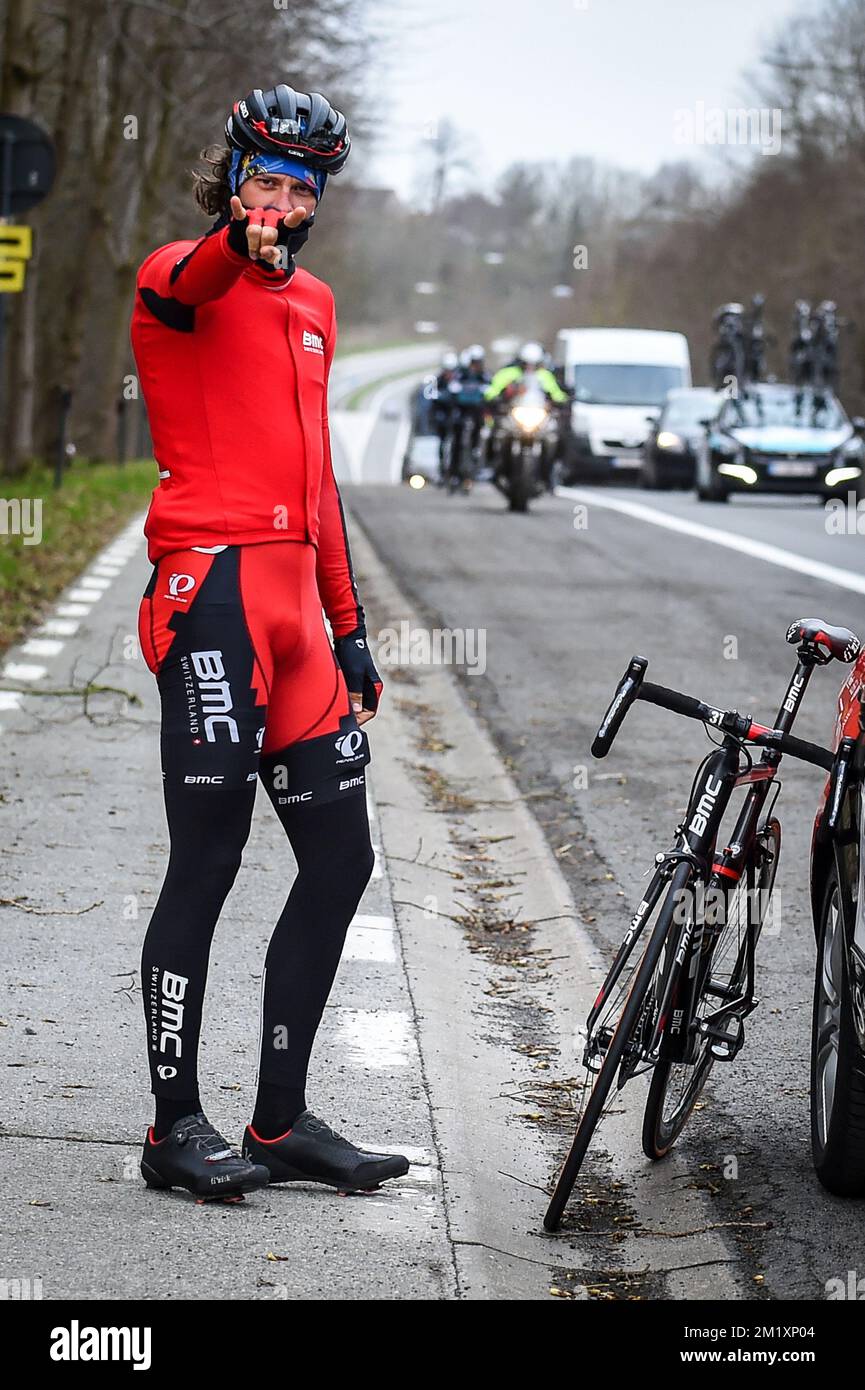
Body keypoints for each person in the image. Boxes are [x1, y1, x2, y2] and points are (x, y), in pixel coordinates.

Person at [130, 82, 410, 1202]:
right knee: (206, 863)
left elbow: (316, 477)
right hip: (211, 600)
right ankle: (172, 1127)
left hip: (299, 613)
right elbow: (208, 273)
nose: (281, 204)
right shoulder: (174, 277)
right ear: (231, 181)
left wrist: (348, 628)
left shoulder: (319, 306)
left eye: (300, 189)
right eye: (264, 182)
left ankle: (280, 1118)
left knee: (340, 859)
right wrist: (234, 245)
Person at [485, 342, 569, 489]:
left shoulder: (545, 376)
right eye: (526, 364)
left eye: (533, 364)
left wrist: (562, 400)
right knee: (495, 434)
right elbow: (492, 390)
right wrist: (495, 397)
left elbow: (557, 394)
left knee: (555, 438)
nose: (530, 367)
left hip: (538, 416)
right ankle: (493, 468)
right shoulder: (509, 374)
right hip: (512, 416)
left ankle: (549, 474)